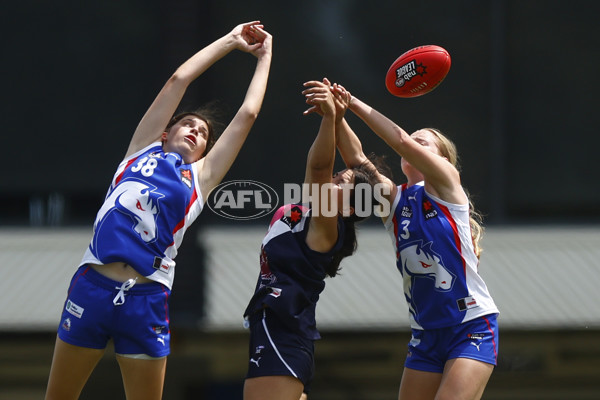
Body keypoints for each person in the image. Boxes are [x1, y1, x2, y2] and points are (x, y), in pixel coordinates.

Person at [44, 21, 272, 400]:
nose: (195, 131)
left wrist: (265, 57)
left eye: (202, 133)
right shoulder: (140, 152)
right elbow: (178, 79)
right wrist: (231, 41)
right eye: (187, 124)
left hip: (145, 299)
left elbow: (247, 114)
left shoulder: (199, 179)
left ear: (204, 152)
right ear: (166, 133)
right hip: (92, 288)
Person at [329, 79, 499, 400]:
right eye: (416, 139)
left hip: (471, 325)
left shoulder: (448, 183)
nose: (416, 141)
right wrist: (336, 116)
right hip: (425, 333)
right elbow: (356, 160)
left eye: (426, 144)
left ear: (442, 161)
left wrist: (353, 102)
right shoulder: (395, 200)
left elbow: (401, 141)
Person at [241, 79, 379, 400]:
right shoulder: (312, 211)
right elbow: (353, 162)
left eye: (340, 180)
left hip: (284, 332)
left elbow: (318, 168)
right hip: (279, 329)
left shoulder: (329, 228)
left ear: (350, 205)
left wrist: (330, 119)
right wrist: (339, 115)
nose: (333, 177)